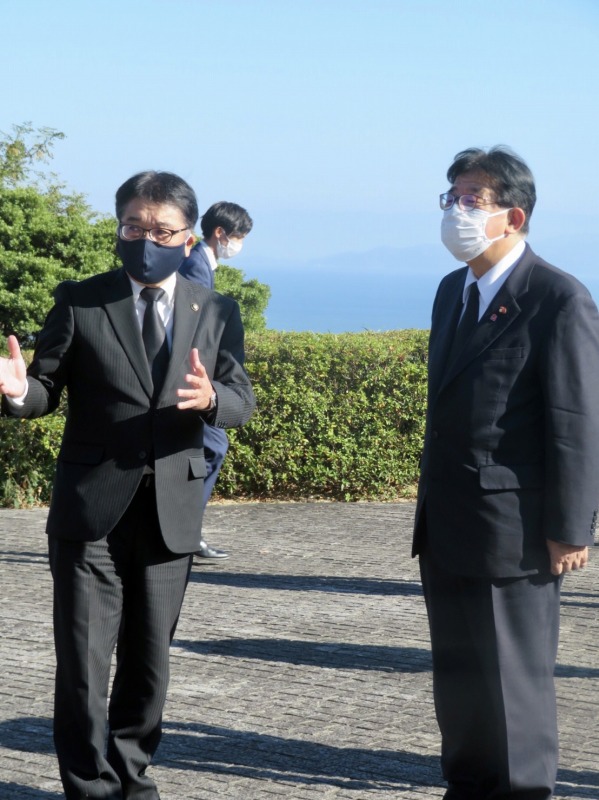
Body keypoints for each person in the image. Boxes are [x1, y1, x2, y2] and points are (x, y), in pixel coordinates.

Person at [0, 170, 255, 799]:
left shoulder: (215, 310)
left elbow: (241, 400)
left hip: (171, 512)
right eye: (134, 227)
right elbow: (46, 388)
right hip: (91, 511)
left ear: (189, 237)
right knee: (84, 666)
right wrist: (18, 392)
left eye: (162, 231)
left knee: (149, 665)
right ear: (118, 228)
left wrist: (211, 399)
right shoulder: (81, 300)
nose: (146, 241)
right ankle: (91, 788)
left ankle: (133, 779)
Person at [412, 146, 599, 800]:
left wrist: (570, 527)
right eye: (451, 198)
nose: (455, 211)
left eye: (471, 200)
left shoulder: (557, 298)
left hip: (514, 531)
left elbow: (575, 421)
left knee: (513, 692)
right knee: (460, 685)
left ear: (512, 216)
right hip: (446, 523)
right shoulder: (452, 291)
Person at [180, 201, 253, 560]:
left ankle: (186, 529)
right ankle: (186, 531)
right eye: (238, 236)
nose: (239, 244)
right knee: (213, 447)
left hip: (195, 380)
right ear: (220, 233)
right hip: (193, 381)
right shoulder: (196, 265)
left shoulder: (202, 263)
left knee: (210, 448)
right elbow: (193, 328)